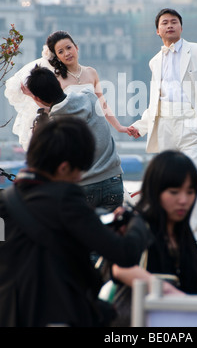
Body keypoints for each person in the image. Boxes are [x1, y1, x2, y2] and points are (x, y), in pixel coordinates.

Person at [0, 117, 150, 327]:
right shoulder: (65, 198)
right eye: (79, 170)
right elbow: (125, 253)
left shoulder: (5, 201)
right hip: (57, 316)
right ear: (63, 168)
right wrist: (137, 221)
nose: (80, 178)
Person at [129, 8, 197, 241]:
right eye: (164, 23)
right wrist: (141, 126)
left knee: (190, 181)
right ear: (158, 30)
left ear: (181, 27)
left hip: (191, 124)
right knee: (166, 183)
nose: (170, 25)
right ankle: (168, 237)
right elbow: (156, 101)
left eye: (174, 22)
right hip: (164, 125)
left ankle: (192, 239)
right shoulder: (155, 61)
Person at [110, 150, 197, 326]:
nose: (183, 200)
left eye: (190, 192)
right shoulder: (140, 225)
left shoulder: (182, 234)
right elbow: (121, 268)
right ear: (155, 191)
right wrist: (172, 294)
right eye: (174, 192)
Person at [5, 30, 131, 150]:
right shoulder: (57, 78)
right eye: (60, 51)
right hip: (69, 133)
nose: (66, 53)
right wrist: (32, 96)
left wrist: (119, 127)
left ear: (76, 47)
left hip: (93, 130)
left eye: (69, 48)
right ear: (57, 57)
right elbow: (51, 108)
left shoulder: (91, 72)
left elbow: (102, 104)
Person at [26, 65, 124, 211]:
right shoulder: (89, 97)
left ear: (37, 98)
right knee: (112, 231)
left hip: (81, 188)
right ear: (59, 84)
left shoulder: (51, 127)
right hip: (113, 181)